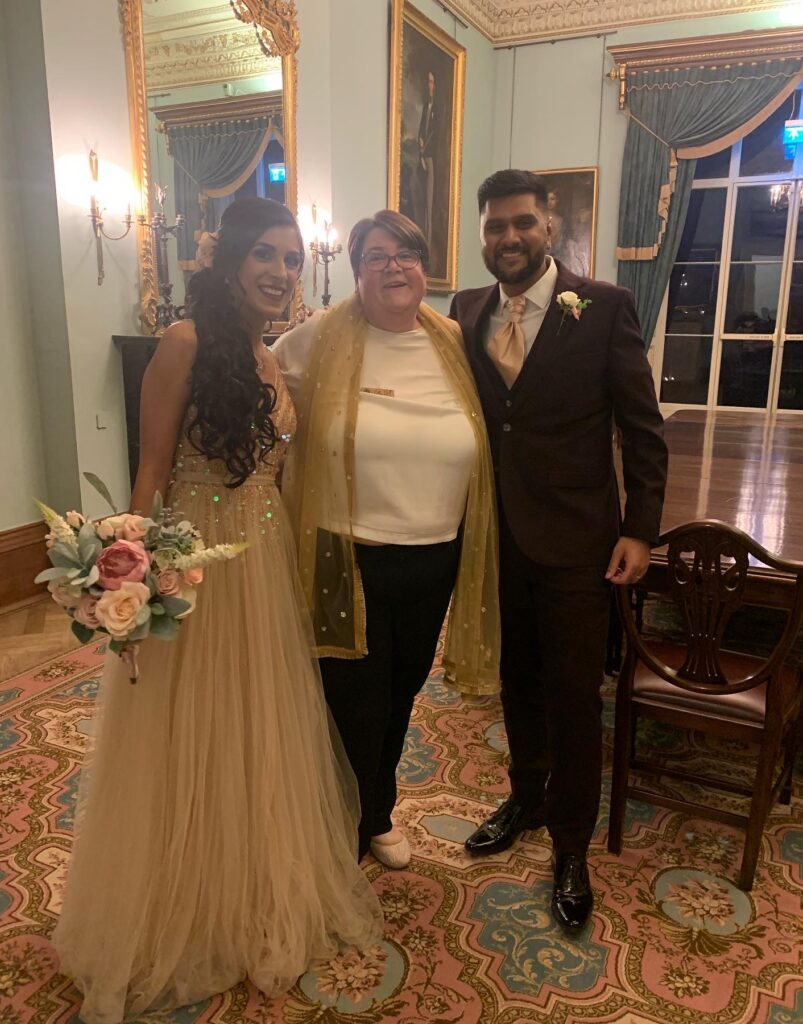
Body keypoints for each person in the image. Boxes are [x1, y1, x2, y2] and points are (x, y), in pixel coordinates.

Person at [52, 198, 382, 1023]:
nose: (279, 272)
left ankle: (249, 886)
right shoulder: (185, 342)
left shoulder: (268, 354)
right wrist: (130, 574)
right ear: (231, 259)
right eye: (265, 255)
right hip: (195, 565)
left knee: (255, 726)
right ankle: (179, 901)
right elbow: (152, 468)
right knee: (186, 730)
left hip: (262, 566)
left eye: (292, 258)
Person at [449, 170, 668, 931]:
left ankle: (570, 842)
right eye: (493, 227)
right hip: (493, 539)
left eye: (521, 224)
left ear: (549, 228)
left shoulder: (602, 307)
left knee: (574, 694)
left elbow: (642, 428)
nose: (507, 238)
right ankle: (525, 796)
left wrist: (639, 527)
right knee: (516, 679)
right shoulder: (464, 310)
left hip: (579, 540)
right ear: (481, 235)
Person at [274, 209, 500, 871]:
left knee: (400, 693)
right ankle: (340, 822)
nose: (394, 267)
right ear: (356, 271)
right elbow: (267, 395)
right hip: (348, 555)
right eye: (377, 256)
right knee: (353, 701)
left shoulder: (455, 341)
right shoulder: (314, 339)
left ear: (423, 267)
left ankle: (374, 809)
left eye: (405, 254)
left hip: (435, 553)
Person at [417, 70, 438, 252]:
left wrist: (424, 150)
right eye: (427, 82)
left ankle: (428, 246)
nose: (428, 85)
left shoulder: (438, 108)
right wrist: (419, 144)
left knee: (430, 205)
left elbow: (434, 133)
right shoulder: (425, 107)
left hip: (430, 157)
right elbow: (421, 132)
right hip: (422, 157)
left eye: (431, 82)